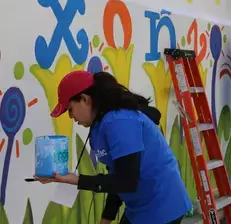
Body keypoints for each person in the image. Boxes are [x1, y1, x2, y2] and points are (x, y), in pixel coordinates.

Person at [34, 70, 191, 224]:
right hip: (138, 205)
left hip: (162, 205)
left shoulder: (119, 121)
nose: (71, 116)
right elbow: (117, 175)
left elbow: (127, 181)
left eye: (70, 109)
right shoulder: (100, 126)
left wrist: (77, 180)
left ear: (85, 99)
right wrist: (107, 217)